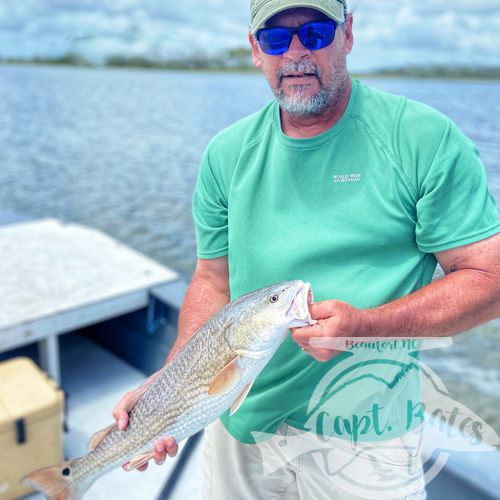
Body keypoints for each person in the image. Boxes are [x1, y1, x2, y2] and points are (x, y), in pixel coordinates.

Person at [113, 0, 500, 498]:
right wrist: (171, 382)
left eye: (315, 33)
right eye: (276, 39)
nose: (295, 51)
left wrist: (366, 327)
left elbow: (488, 278)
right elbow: (213, 279)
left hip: (367, 436)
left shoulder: (421, 138)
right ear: (255, 50)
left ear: (348, 35)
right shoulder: (226, 155)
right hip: (240, 420)